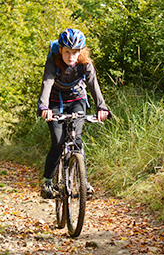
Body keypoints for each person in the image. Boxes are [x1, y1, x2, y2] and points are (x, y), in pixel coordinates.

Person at [37, 28, 111, 199]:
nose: (71, 56)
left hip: (77, 100)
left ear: (81, 51)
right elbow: (47, 82)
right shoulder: (53, 62)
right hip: (54, 102)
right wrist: (44, 107)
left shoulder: (85, 64)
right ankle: (48, 181)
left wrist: (102, 108)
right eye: (68, 52)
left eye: (75, 52)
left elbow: (93, 85)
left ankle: (83, 182)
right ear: (61, 50)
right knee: (58, 141)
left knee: (76, 140)